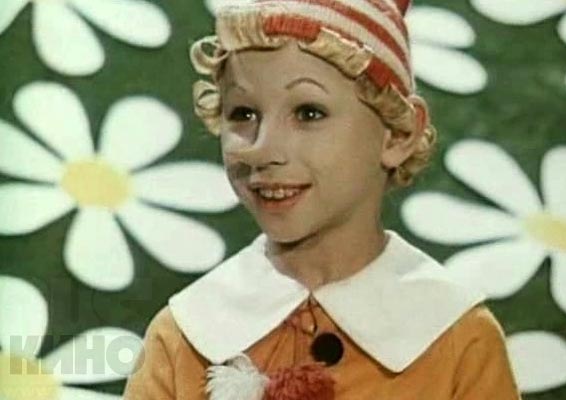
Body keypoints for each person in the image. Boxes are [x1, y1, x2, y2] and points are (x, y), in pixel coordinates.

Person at [123, 0, 522, 399]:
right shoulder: (184, 335)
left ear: (397, 136)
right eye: (243, 114)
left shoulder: (457, 339)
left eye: (309, 113)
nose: (262, 149)